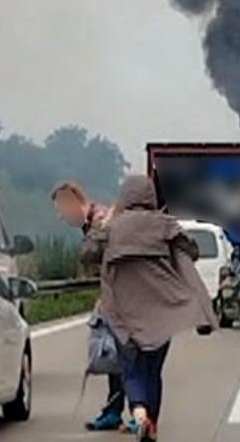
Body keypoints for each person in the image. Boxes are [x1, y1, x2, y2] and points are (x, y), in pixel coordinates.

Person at [82, 175, 217, 442]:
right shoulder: (165, 226)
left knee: (131, 369)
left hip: (122, 315)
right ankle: (150, 424)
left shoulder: (114, 229)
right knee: (152, 371)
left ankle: (140, 414)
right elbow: (190, 255)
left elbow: (87, 254)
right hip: (160, 314)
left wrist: (105, 225)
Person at [50, 182, 127, 431]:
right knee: (115, 356)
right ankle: (119, 410)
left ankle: (127, 410)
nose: (60, 217)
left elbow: (106, 259)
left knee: (118, 355)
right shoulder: (94, 222)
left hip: (123, 299)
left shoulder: (100, 222)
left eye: (61, 210)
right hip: (116, 296)